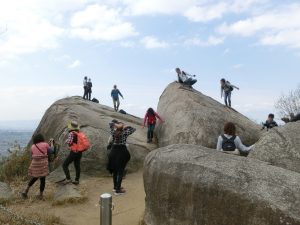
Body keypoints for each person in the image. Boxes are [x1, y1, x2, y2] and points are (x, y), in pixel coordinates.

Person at [21, 134, 53, 200]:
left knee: (34, 177)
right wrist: (51, 144)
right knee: (42, 180)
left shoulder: (32, 146)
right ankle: (41, 195)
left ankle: (26, 191)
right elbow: (51, 151)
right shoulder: (45, 144)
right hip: (43, 164)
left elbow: (32, 155)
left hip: (35, 164)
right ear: (42, 138)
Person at [107, 121, 136, 195]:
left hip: (113, 152)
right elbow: (133, 129)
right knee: (120, 171)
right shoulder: (124, 133)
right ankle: (118, 190)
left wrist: (116, 126)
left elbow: (110, 124)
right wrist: (124, 126)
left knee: (115, 171)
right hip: (121, 152)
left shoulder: (113, 132)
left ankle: (115, 187)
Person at [61, 121, 88, 185]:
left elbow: (70, 142)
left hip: (74, 152)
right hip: (80, 152)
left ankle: (68, 179)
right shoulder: (79, 132)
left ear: (71, 127)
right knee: (77, 165)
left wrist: (67, 141)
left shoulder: (71, 133)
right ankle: (77, 180)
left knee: (64, 165)